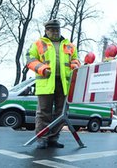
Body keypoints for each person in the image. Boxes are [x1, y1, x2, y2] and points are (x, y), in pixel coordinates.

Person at [26, 19, 80, 149]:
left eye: (57, 29)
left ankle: (53, 138)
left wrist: (74, 66)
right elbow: (30, 59)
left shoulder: (69, 45)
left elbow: (75, 60)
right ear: (46, 30)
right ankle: (42, 138)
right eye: (52, 30)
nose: (55, 32)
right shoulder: (38, 43)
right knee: (44, 112)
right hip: (46, 82)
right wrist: (42, 69)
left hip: (64, 83)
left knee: (61, 113)